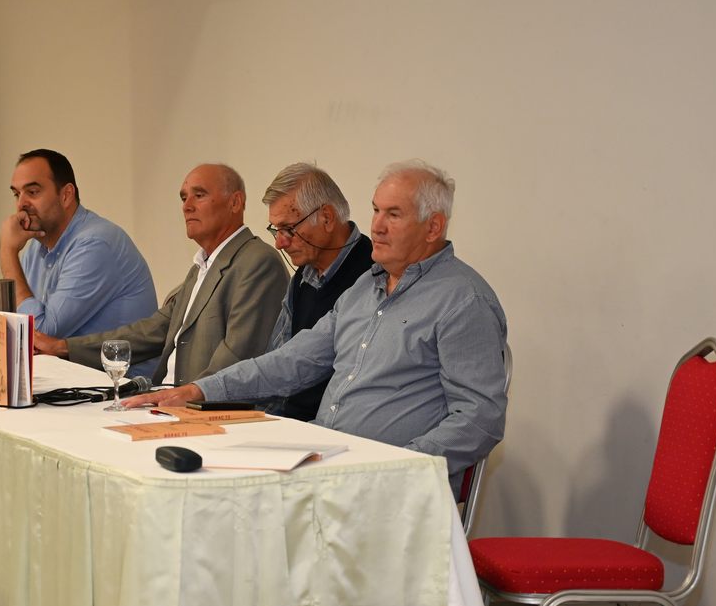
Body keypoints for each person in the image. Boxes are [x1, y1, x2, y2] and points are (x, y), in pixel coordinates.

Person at [125, 160, 508, 492]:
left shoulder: (464, 301)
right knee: (208, 485)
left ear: (433, 227)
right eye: (376, 210)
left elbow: (479, 419)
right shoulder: (364, 289)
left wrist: (398, 465)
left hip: (390, 483)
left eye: (393, 215)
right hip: (326, 461)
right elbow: (292, 361)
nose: (376, 226)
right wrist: (199, 390)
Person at [34, 163, 289, 386]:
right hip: (167, 400)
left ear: (235, 202)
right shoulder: (200, 267)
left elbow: (237, 358)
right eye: (183, 198)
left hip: (205, 410)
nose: (187, 206)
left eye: (199, 195)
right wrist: (63, 347)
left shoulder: (258, 262)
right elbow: (150, 332)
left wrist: (180, 399)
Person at [0, 149, 158, 371]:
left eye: (33, 192)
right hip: (69, 382)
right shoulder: (38, 244)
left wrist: (7, 252)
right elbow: (13, 318)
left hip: (119, 389)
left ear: (66, 195)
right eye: (17, 194)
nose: (21, 205)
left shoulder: (95, 244)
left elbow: (42, 335)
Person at [258, 162, 374, 420]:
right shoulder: (302, 277)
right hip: (289, 425)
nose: (279, 243)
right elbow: (277, 363)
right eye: (276, 230)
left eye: (289, 229)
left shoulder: (374, 275)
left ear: (327, 218)